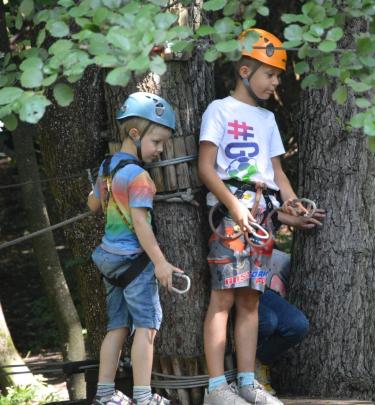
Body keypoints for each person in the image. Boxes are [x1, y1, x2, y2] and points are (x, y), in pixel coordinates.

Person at [198, 28, 306, 405]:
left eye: (277, 75)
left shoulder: (267, 119)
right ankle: (216, 387)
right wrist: (232, 205)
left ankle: (246, 381)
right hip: (231, 212)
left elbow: (277, 174)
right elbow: (206, 168)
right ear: (245, 70)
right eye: (270, 74)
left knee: (251, 302)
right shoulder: (219, 110)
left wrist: (291, 202)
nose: (275, 82)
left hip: (262, 215)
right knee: (223, 299)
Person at [87, 92, 183, 405]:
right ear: (134, 134)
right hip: (133, 263)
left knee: (117, 327)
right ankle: (143, 397)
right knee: (146, 327)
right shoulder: (139, 176)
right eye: (156, 141)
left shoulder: (108, 166)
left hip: (108, 259)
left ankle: (104, 394)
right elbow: (141, 225)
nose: (160, 150)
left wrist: (107, 191)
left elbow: (92, 204)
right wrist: (161, 263)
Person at [256, 209, 325, 393]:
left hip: (259, 284)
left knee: (297, 325)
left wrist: (298, 217)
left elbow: (272, 212)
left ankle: (257, 361)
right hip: (231, 286)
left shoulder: (266, 202)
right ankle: (241, 371)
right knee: (267, 321)